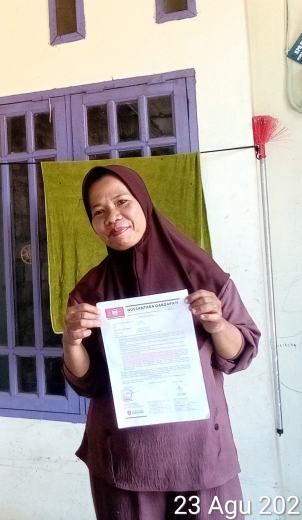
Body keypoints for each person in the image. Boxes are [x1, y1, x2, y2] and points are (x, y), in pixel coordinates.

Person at [62, 165, 260, 520]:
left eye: (122, 202)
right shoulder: (90, 292)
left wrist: (217, 324)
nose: (112, 217)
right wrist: (72, 343)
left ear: (143, 203)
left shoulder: (203, 276)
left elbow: (242, 353)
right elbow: (87, 382)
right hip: (124, 460)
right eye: (98, 211)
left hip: (201, 454)